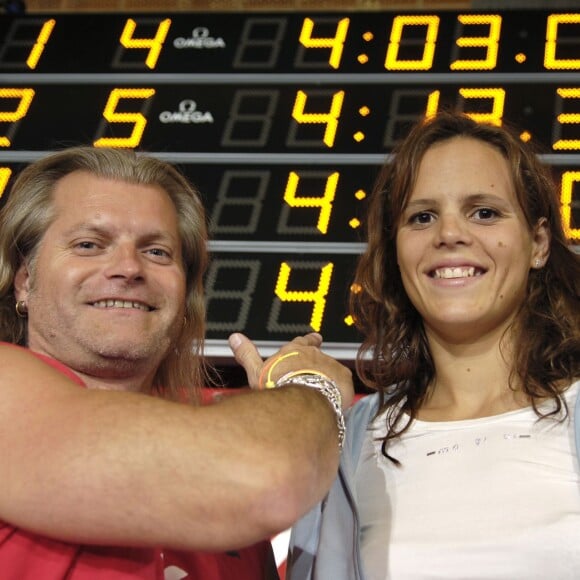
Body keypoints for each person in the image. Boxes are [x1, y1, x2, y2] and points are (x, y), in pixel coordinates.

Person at [0, 145, 354, 579]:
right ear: (24, 281)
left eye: (157, 252)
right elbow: (270, 473)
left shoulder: (231, 518)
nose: (128, 268)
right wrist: (310, 387)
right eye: (89, 244)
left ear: (184, 297)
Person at [287, 111, 580, 579]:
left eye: (484, 212)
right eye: (422, 217)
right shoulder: (350, 440)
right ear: (396, 251)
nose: (449, 235)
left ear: (539, 243)